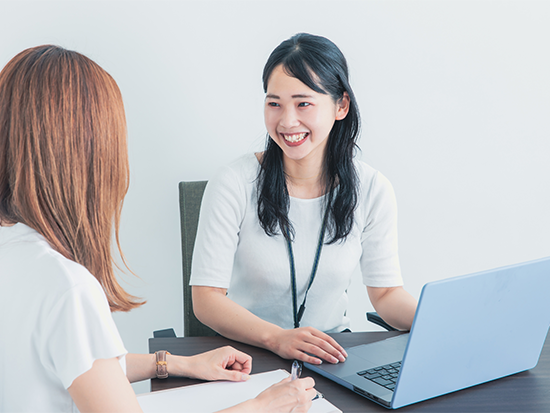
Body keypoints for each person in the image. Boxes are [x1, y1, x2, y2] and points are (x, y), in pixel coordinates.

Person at [0, 45, 315, 412]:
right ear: (90, 154)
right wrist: (263, 407)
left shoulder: (19, 253)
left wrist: (173, 363)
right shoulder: (67, 288)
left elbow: (79, 362)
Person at [190, 33, 418, 366]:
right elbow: (206, 300)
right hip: (246, 357)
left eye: (303, 103)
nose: (287, 121)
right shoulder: (234, 183)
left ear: (341, 106)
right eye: (274, 103)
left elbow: (386, 295)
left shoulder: (372, 188)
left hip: (331, 356)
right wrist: (277, 338)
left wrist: (442, 326)